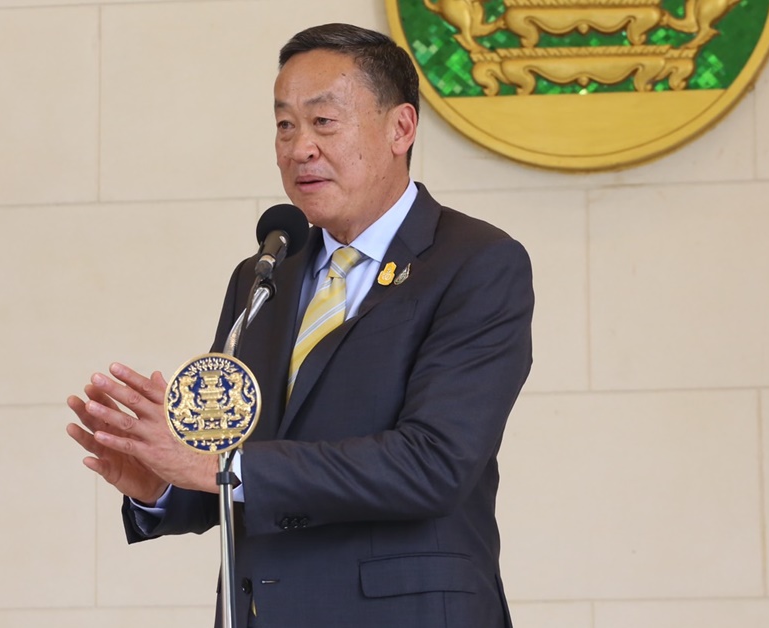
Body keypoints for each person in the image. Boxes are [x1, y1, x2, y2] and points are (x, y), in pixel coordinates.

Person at [66, 23, 533, 628]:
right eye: (285, 125)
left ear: (401, 128)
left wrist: (218, 469)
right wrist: (161, 482)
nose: (299, 148)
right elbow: (234, 465)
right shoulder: (266, 272)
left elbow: (433, 464)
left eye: (323, 121)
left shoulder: (475, 263)